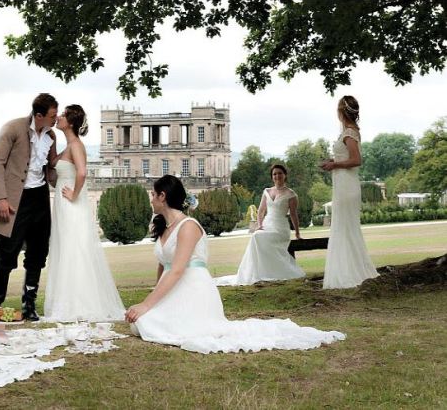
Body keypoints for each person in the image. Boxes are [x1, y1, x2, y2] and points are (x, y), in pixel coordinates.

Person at [125, 175, 345, 354]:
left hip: (191, 288)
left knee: (147, 324)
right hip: (172, 290)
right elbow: (164, 266)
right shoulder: (165, 227)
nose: (151, 199)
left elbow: (179, 269)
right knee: (141, 324)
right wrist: (154, 301)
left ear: (163, 196)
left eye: (153, 195)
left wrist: (145, 304)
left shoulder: (188, 226)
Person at [43, 105, 125, 322]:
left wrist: (74, 194)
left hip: (72, 205)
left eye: (62, 115)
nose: (58, 117)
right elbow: (53, 165)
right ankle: (68, 301)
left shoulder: (76, 146)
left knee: (74, 248)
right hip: (64, 205)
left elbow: (82, 172)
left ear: (70, 122)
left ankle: (79, 304)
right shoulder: (68, 145)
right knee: (66, 248)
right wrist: (49, 136)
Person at [0, 93, 58, 321]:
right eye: (52, 115)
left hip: (40, 197)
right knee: (8, 253)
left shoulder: (51, 135)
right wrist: (1, 198)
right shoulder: (13, 128)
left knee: (38, 253)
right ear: (39, 115)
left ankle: (29, 304)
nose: (56, 119)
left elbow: (50, 169)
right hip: (16, 200)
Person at [321, 96, 378, 289]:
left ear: (341, 112)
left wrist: (334, 164)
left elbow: (356, 160)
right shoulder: (349, 132)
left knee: (345, 227)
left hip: (347, 185)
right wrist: (333, 160)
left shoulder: (349, 132)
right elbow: (346, 156)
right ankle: (347, 269)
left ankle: (350, 273)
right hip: (343, 184)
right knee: (343, 227)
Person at [214, 164, 305, 286]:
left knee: (257, 237)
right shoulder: (267, 191)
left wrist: (297, 233)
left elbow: (294, 215)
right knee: (257, 235)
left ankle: (268, 272)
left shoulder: (291, 194)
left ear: (285, 175)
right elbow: (261, 211)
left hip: (280, 228)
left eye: (279, 173)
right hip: (267, 225)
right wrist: (260, 225)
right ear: (272, 177)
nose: (277, 176)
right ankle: (255, 272)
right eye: (274, 174)